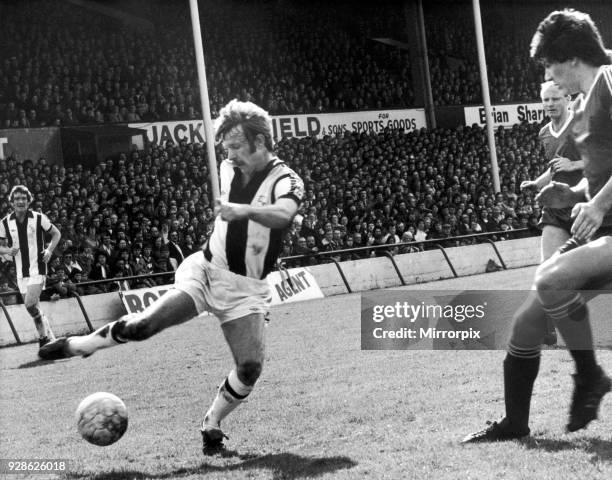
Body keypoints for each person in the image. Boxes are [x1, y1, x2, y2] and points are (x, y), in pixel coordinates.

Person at [40, 100, 305, 454]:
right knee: (143, 327)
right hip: (206, 270)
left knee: (251, 367)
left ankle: (211, 424)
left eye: (237, 146)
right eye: (226, 147)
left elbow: (284, 214)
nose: (230, 155)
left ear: (261, 142)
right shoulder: (228, 166)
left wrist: (245, 211)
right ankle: (79, 346)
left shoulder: (286, 179)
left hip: (245, 290)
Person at [462, 9, 612, 443]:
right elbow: (599, 174)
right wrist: (576, 194)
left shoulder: (609, 82)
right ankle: (515, 424)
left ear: (568, 57)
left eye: (548, 63)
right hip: (603, 232)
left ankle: (589, 377)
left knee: (550, 277)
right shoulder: (584, 102)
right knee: (526, 325)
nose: (547, 75)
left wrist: (598, 205)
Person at [520, 80, 583, 345]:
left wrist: (574, 164)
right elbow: (554, 168)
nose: (549, 104)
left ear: (568, 99)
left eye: (555, 99)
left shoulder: (582, 124)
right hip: (557, 209)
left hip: (585, 205)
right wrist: (537, 183)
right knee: (547, 269)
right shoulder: (545, 132)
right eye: (546, 100)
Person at [0, 185, 61, 353]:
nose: (20, 201)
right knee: (34, 309)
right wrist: (7, 250)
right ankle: (51, 339)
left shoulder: (38, 217)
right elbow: (0, 247)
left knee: (29, 304)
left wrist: (49, 250)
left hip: (38, 268)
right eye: (17, 199)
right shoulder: (5, 222)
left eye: (23, 198)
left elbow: (56, 234)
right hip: (21, 273)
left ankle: (43, 339)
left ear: (28, 201)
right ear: (12, 202)